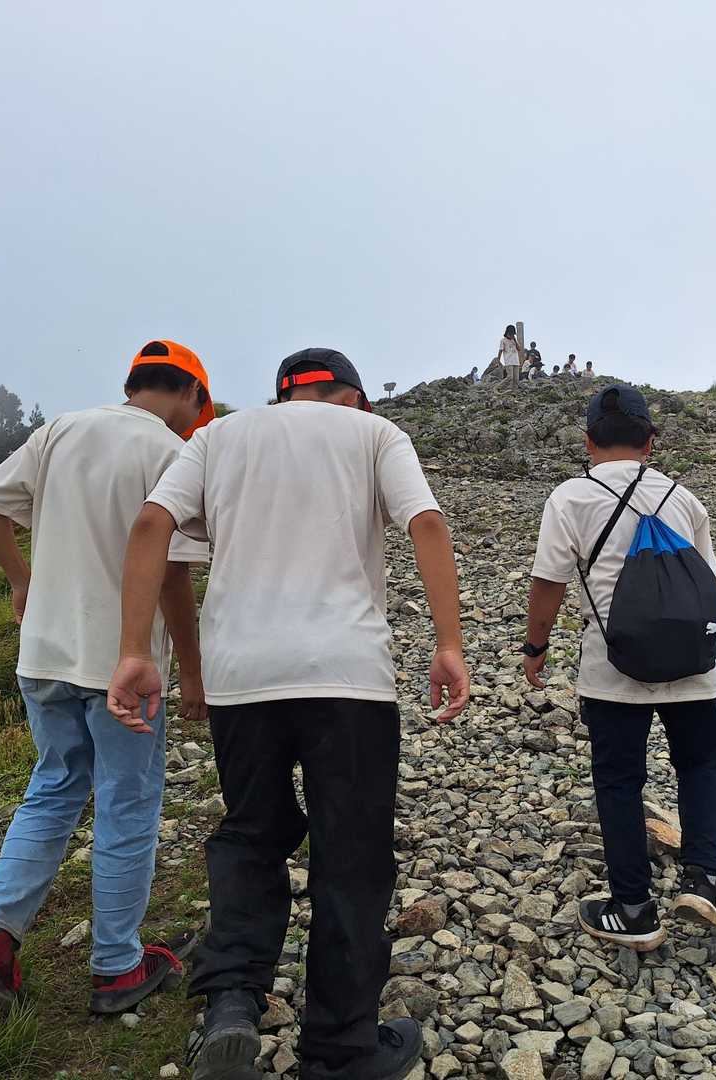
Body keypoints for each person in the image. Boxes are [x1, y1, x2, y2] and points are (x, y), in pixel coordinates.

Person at [107, 348, 470, 1080]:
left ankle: (233, 1001)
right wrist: (449, 643)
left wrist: (135, 651)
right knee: (352, 854)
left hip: (242, 678)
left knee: (251, 833)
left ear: (283, 395)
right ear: (354, 397)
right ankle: (340, 1049)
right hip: (347, 676)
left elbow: (151, 524)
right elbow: (426, 523)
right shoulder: (376, 435)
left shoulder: (218, 436)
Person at [0, 340, 215, 1015]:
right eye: (199, 410)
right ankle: (118, 967)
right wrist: (193, 670)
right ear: (190, 394)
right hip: (122, 663)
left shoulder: (62, 429)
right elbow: (173, 576)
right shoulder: (169, 453)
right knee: (127, 803)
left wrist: (21, 581)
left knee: (53, 787)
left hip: (44, 655)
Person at [521, 384, 716, 952]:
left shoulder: (571, 497)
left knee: (620, 780)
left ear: (588, 441)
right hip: (694, 663)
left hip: (614, 667)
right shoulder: (684, 499)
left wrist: (536, 647)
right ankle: (704, 882)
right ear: (650, 441)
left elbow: (548, 583)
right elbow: (709, 581)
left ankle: (634, 908)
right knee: (703, 764)